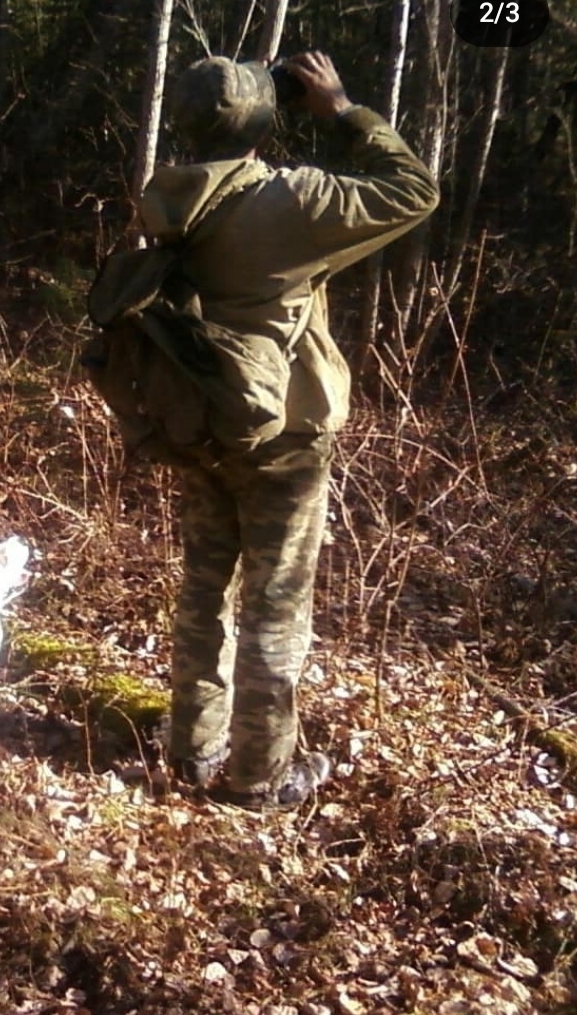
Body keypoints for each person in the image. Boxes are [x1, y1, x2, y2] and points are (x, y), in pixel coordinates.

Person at [138, 51, 439, 809]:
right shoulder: (293, 202)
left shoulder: (164, 195)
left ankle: (193, 746)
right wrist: (339, 109)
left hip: (201, 422)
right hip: (284, 433)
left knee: (206, 590)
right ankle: (261, 776)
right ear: (267, 124)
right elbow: (415, 191)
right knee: (275, 604)